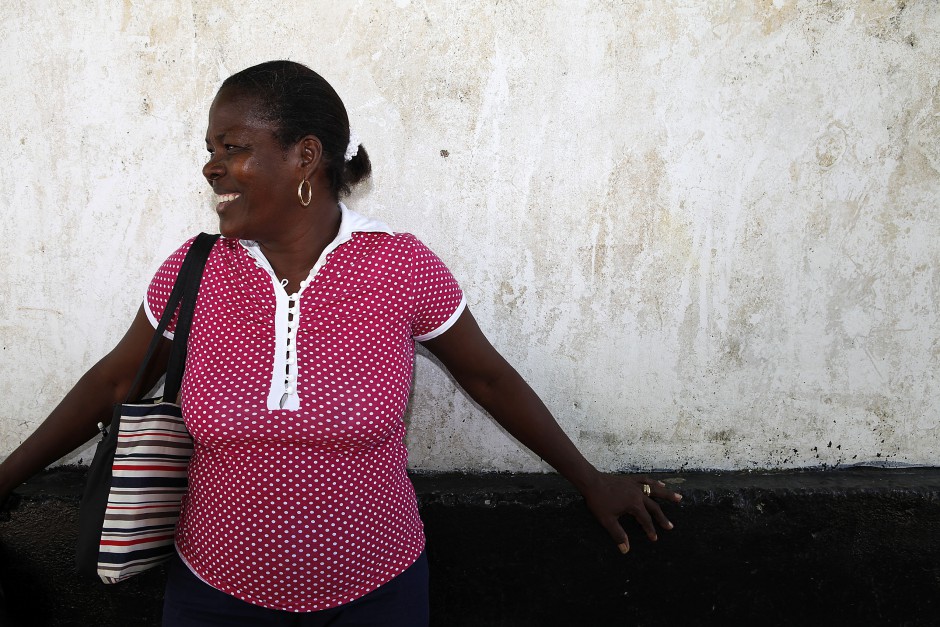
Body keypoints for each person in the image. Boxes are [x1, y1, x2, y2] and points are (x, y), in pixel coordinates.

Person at [0, 60, 681, 626]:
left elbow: (490, 379)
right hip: (211, 595)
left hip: (377, 593)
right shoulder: (196, 269)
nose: (211, 168)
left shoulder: (399, 266)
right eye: (209, 149)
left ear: (305, 156)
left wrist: (590, 479)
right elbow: (115, 382)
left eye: (231, 147)